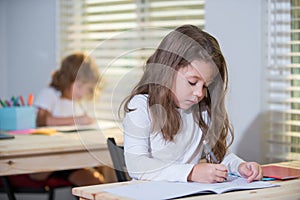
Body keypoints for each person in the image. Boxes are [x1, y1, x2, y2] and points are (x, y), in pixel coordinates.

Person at [121, 25, 263, 183]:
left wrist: (240, 166)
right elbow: (137, 165)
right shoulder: (141, 107)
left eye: (205, 86)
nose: (199, 93)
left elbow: (217, 155)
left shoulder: (200, 110)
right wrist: (191, 173)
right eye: (192, 82)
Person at [31, 52, 104, 186]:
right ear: (68, 79)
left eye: (86, 88)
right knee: (94, 179)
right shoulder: (50, 94)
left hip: (70, 157)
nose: (82, 92)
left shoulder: (75, 102)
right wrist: (77, 120)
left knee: (102, 173)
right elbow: (41, 121)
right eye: (80, 86)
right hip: (50, 158)